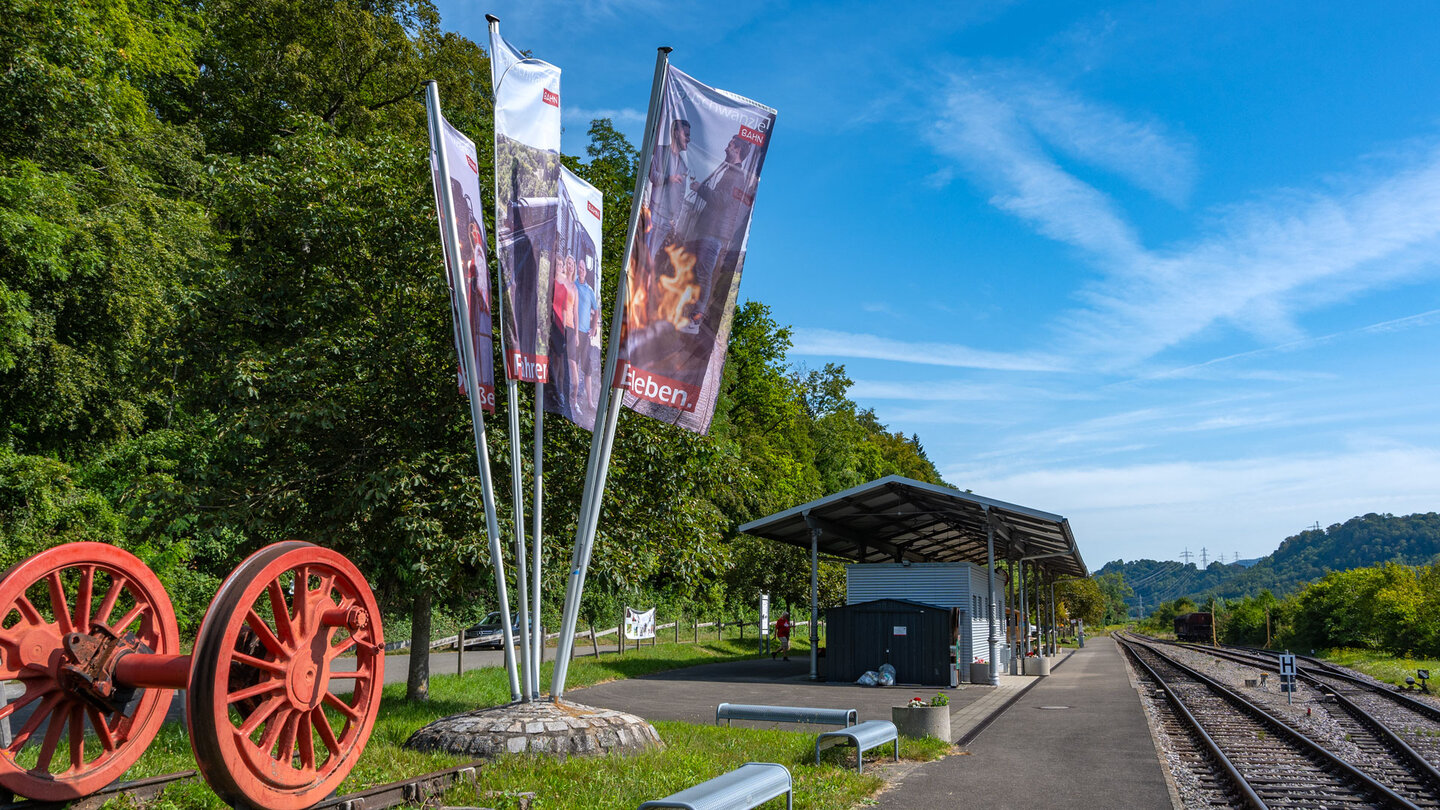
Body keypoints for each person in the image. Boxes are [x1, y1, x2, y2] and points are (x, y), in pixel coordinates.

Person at [684, 134, 756, 334]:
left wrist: (700, 188)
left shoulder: (736, 175)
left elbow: (723, 201)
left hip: (714, 232)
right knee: (699, 272)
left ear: (737, 150)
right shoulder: (731, 172)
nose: (726, 148)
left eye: (729, 145)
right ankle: (691, 315)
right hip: (711, 230)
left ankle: (695, 320)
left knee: (704, 274)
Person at [646, 119, 690, 267]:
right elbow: (652, 176)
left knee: (651, 258)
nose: (689, 139)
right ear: (676, 133)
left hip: (667, 220)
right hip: (654, 213)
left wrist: (675, 219)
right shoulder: (660, 151)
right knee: (643, 254)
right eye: (686, 135)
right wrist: (668, 178)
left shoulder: (683, 166)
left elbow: (681, 196)